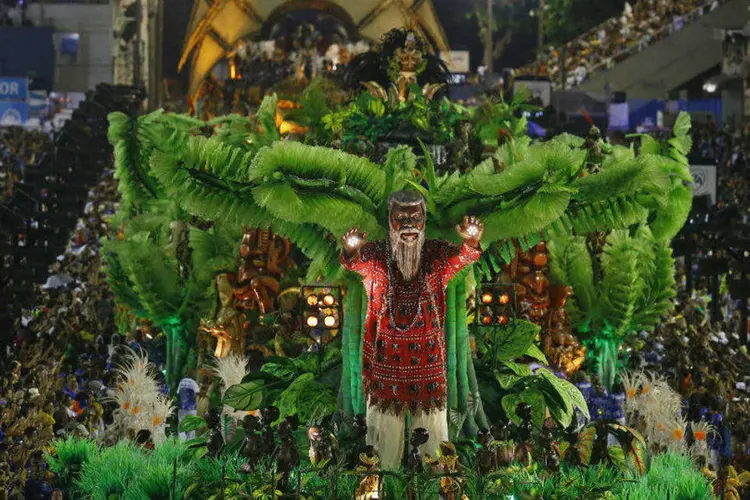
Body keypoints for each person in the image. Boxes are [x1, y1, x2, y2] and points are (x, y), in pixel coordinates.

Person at [340, 190, 483, 469]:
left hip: (427, 368)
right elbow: (353, 262)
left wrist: (472, 238)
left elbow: (465, 257)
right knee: (382, 447)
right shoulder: (376, 255)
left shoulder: (437, 254)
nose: (408, 224)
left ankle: (436, 490)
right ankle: (378, 488)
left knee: (433, 447)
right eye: (400, 217)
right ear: (389, 219)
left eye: (414, 217)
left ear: (424, 219)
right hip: (385, 367)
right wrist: (349, 248)